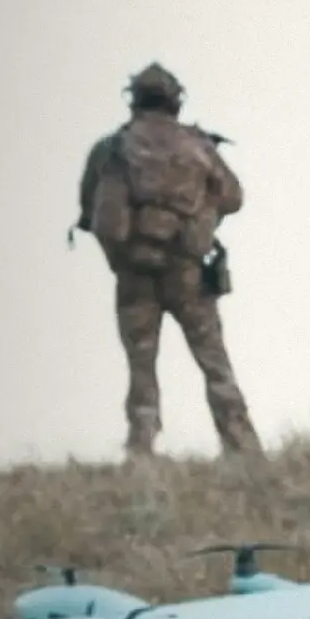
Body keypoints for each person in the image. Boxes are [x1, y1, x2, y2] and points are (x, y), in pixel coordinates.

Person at [77, 62, 260, 456]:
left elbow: (91, 210)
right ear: (176, 100)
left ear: (134, 99)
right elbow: (234, 196)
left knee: (141, 366)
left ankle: (141, 448)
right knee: (214, 361)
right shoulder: (198, 146)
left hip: (135, 273)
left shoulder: (112, 149)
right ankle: (242, 447)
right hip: (189, 271)